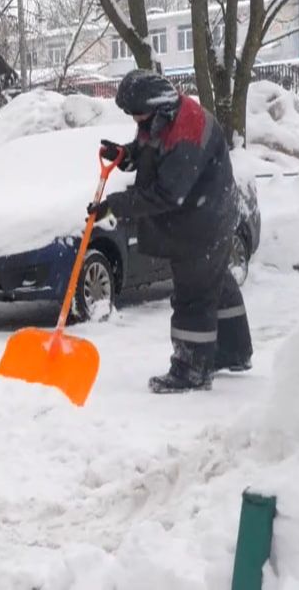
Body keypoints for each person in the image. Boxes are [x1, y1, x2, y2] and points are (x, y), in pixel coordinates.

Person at [88, 69, 253, 394]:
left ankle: (191, 369)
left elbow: (168, 193)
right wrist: (127, 155)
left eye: (138, 114)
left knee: (193, 294)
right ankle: (232, 352)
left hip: (201, 222)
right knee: (216, 282)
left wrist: (116, 205)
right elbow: (153, 148)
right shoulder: (165, 116)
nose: (136, 120)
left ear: (157, 107)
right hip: (205, 215)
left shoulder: (187, 131)